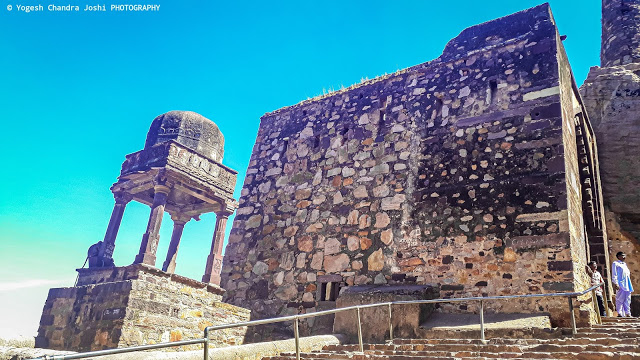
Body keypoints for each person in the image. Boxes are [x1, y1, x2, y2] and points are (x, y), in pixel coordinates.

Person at [611, 251, 634, 317]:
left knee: (627, 299)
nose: (624, 257)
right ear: (619, 256)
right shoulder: (615, 264)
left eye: (624, 255)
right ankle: (619, 313)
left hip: (627, 284)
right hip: (621, 284)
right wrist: (616, 283)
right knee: (619, 299)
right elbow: (614, 274)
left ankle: (627, 313)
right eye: (622, 255)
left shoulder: (624, 265)